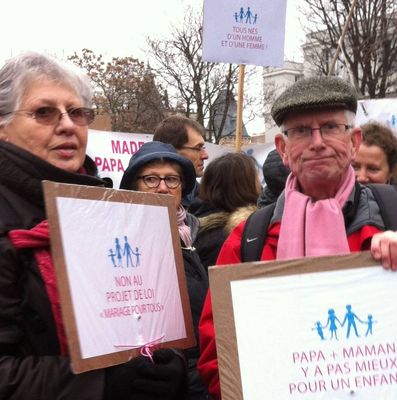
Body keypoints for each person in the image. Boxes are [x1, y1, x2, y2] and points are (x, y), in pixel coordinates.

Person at [197, 76, 397, 400]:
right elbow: (217, 359)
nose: (317, 142)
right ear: (283, 150)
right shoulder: (248, 241)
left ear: (353, 141)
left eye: (329, 127)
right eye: (300, 131)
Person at [0, 52, 185, 399]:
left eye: (77, 112)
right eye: (44, 112)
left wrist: (167, 361)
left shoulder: (109, 209)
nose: (68, 124)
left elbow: (140, 314)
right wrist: (99, 382)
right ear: (3, 127)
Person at [120, 141, 211, 400]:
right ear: (133, 186)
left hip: (199, 377)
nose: (162, 187)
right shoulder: (120, 241)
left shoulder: (198, 235)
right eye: (151, 179)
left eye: (172, 179)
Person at [191, 152, 260, 269]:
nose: (260, 182)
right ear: (243, 186)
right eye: (255, 177)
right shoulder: (227, 238)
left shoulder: (197, 225)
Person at [153, 115, 209, 207]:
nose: (205, 156)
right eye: (198, 148)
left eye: (203, 148)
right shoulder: (142, 204)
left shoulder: (208, 201)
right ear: (173, 151)